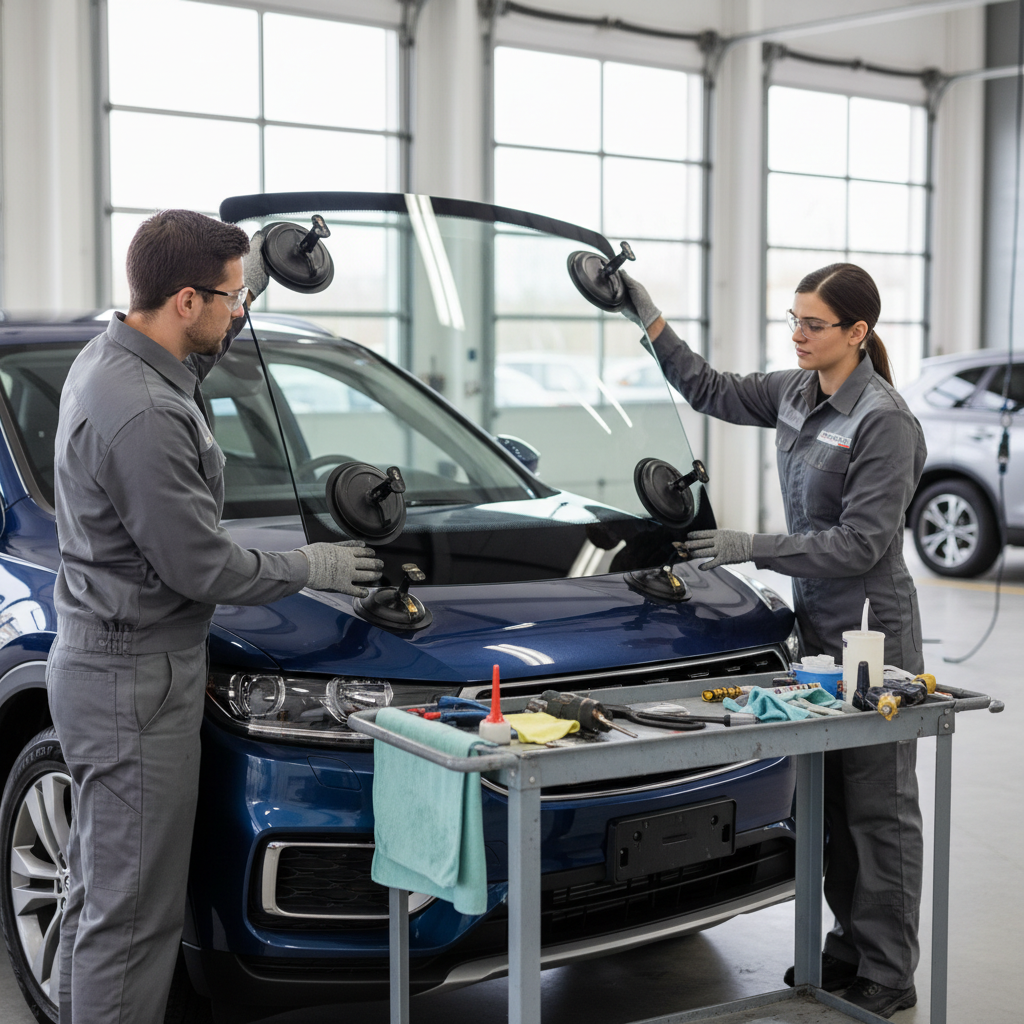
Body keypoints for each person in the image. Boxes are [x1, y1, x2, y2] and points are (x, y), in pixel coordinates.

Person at [48, 209, 384, 1023]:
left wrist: (255, 270)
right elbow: (199, 565)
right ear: (186, 302)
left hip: (113, 662)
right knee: (133, 923)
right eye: (233, 299)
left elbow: (199, 344)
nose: (242, 313)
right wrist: (312, 567)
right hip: (136, 680)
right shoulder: (145, 413)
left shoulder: (117, 353)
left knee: (100, 895)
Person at [620, 263, 925, 1020]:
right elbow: (711, 390)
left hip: (872, 636)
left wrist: (748, 545)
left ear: (857, 333)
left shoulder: (884, 421)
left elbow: (859, 544)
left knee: (876, 808)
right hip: (818, 627)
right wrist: (650, 318)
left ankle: (889, 969)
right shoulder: (795, 391)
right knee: (827, 801)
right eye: (792, 319)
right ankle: (847, 949)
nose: (797, 334)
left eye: (813, 324)